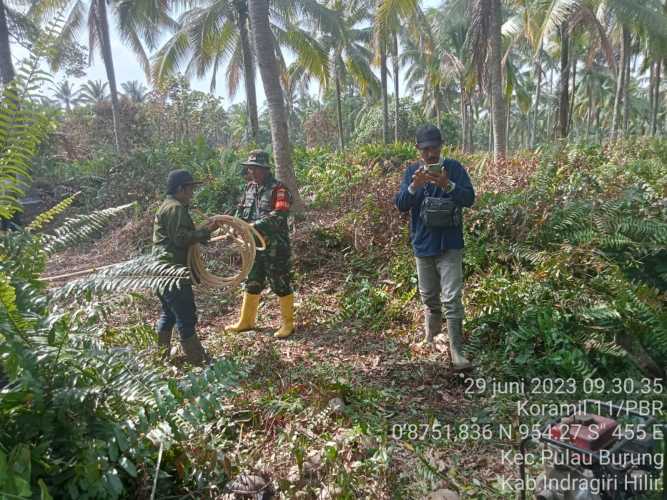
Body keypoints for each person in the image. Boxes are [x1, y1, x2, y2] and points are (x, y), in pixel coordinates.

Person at [395, 124, 475, 370]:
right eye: (425, 149)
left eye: (434, 147)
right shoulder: (412, 172)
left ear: (441, 146)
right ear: (418, 149)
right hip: (424, 244)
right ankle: (431, 339)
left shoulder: (454, 169)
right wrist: (413, 187)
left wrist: (447, 185)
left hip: (449, 244)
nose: (430, 154)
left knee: (452, 297)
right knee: (429, 297)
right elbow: (400, 204)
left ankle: (456, 351)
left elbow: (469, 198)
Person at [227, 150, 295, 339]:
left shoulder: (279, 189)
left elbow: (279, 215)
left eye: (255, 169)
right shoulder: (250, 189)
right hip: (253, 246)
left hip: (275, 247)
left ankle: (287, 324)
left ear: (265, 169)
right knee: (252, 281)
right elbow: (240, 212)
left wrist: (251, 226)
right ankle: (246, 321)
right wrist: (234, 224)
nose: (252, 172)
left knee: (280, 282)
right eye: (250, 168)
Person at [153, 169, 217, 365]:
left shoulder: (169, 206)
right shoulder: (175, 209)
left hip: (162, 271)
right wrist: (206, 231)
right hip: (174, 273)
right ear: (180, 189)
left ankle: (160, 357)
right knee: (186, 316)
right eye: (190, 188)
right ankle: (198, 361)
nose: (191, 193)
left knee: (169, 313)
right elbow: (181, 239)